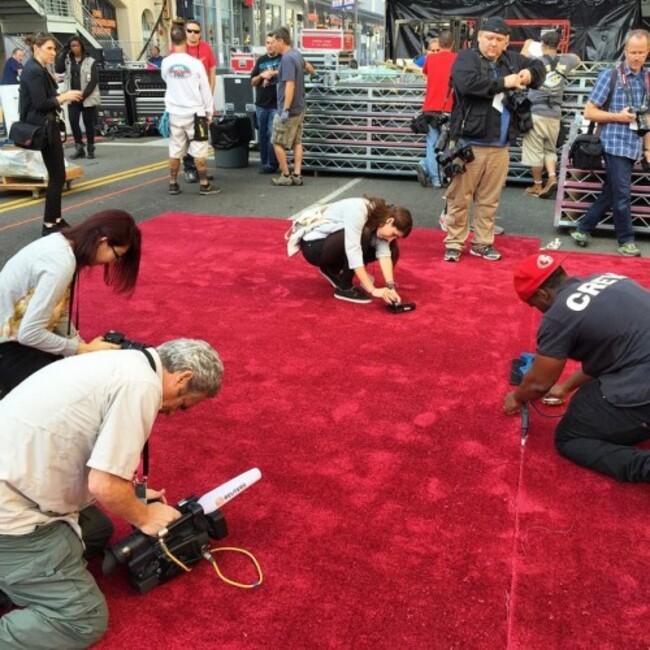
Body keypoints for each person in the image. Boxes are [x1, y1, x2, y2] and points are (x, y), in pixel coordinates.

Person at [0, 337, 224, 648]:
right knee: (83, 620)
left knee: (98, 529)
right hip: (10, 518)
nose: (173, 413)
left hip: (13, 480)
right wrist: (145, 516)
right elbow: (103, 484)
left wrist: (132, 496)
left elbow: (82, 446)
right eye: (184, 405)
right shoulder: (143, 388)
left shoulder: (126, 363)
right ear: (183, 378)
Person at [504, 252, 650, 482]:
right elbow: (609, 355)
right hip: (640, 363)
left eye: (533, 304)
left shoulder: (558, 316)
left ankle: (643, 466)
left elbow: (539, 384)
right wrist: (565, 388)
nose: (538, 310)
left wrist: (517, 397)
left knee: (570, 437)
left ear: (541, 294)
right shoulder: (609, 278)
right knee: (588, 397)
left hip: (643, 387)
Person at [0, 209, 142, 398]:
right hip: (8, 345)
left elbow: (58, 312)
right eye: (117, 256)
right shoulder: (60, 263)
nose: (112, 262)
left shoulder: (62, 243)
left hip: (16, 337)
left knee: (73, 369)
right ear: (103, 241)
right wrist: (82, 349)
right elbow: (29, 334)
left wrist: (82, 346)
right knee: (67, 395)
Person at [443, 17, 545, 263]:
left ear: (507, 41)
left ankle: (482, 242)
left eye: (499, 40)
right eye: (489, 38)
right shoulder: (466, 58)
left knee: (490, 200)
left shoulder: (511, 59)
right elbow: (468, 85)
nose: (493, 43)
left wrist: (529, 73)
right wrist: (504, 82)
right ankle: (454, 243)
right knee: (459, 198)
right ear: (479, 37)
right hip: (469, 143)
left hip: (500, 145)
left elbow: (540, 68)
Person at [570, 29, 650, 258]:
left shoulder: (647, 79)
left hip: (633, 144)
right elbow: (589, 112)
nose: (636, 57)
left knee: (613, 190)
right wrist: (618, 116)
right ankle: (626, 240)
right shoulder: (610, 75)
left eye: (641, 53)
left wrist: (647, 148)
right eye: (632, 52)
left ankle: (583, 228)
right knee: (623, 193)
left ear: (647, 53)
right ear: (624, 51)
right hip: (613, 142)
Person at [18, 33, 84, 236]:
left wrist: (61, 97)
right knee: (57, 175)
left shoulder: (37, 68)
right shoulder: (34, 71)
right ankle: (49, 223)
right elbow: (41, 103)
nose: (53, 53)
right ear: (36, 48)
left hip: (47, 125)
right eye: (49, 49)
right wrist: (64, 97)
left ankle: (54, 218)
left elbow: (45, 98)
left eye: (54, 49)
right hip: (44, 127)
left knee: (57, 174)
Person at [299, 196, 412, 304]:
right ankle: (345, 288)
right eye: (393, 234)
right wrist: (373, 290)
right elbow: (353, 252)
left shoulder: (381, 218)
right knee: (363, 236)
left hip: (330, 245)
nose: (390, 239)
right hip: (313, 247)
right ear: (389, 221)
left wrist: (390, 287)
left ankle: (330, 269)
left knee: (384, 246)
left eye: (395, 237)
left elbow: (384, 254)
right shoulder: (359, 210)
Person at [521, 32, 580, 198]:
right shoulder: (566, 61)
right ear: (558, 45)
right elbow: (577, 58)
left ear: (542, 45)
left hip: (537, 111)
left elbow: (521, 58)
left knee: (535, 150)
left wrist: (527, 42)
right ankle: (552, 178)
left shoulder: (535, 61)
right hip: (555, 113)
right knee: (549, 149)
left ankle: (537, 185)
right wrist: (561, 55)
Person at [161, 24, 217, 196]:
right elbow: (205, 90)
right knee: (199, 147)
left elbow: (165, 80)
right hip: (195, 112)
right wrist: (209, 112)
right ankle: (204, 183)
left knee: (175, 148)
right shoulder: (195, 64)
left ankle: (172, 183)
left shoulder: (166, 62)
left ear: (172, 41)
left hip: (174, 112)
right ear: (185, 39)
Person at [270, 27, 313, 187]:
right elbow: (308, 67)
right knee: (297, 141)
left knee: (277, 142)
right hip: (300, 107)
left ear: (281, 41)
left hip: (289, 109)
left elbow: (290, 85)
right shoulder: (296, 54)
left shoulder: (287, 58)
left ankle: (285, 175)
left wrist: (285, 110)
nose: (272, 45)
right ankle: (297, 174)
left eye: (274, 42)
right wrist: (312, 72)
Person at [415, 30, 456, 189]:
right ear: (452, 44)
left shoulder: (430, 59)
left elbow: (425, 73)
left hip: (430, 108)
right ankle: (444, 175)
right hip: (449, 108)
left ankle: (434, 178)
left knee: (432, 143)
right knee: (447, 144)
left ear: (439, 43)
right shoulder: (458, 59)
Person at [182, 19, 217, 184]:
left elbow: (212, 74)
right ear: (185, 32)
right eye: (190, 31)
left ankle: (200, 169)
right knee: (186, 137)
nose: (193, 34)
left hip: (201, 102)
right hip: (184, 102)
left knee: (201, 137)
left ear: (200, 33)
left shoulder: (205, 48)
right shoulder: (179, 50)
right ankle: (189, 169)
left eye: (196, 31)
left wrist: (209, 99)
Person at [55, 36, 100, 160]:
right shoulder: (68, 60)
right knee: (74, 122)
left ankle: (90, 147)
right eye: (72, 46)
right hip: (72, 96)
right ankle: (79, 147)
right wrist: (64, 52)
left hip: (87, 96)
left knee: (88, 123)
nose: (74, 48)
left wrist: (83, 95)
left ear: (81, 46)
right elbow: (58, 69)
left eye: (76, 45)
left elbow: (94, 81)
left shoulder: (90, 61)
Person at [251, 33, 282, 174]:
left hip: (276, 105)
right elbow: (252, 81)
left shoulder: (283, 59)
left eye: (272, 42)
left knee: (272, 134)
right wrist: (261, 75)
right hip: (261, 104)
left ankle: (272, 164)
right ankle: (264, 163)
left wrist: (272, 73)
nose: (270, 45)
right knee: (262, 134)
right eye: (267, 42)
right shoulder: (261, 60)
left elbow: (287, 72)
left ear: (278, 43)